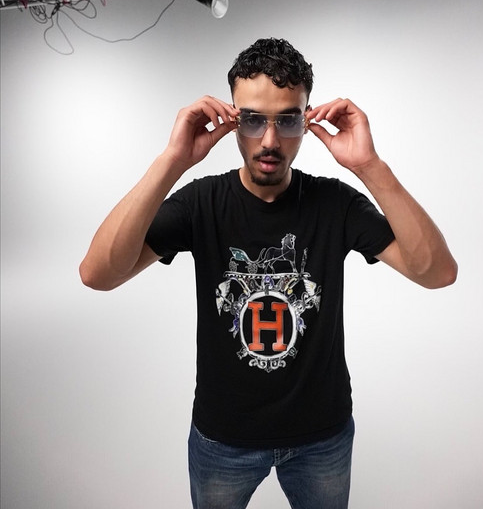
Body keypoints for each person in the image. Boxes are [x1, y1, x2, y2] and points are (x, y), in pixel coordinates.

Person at [80, 37, 457, 509]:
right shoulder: (201, 203)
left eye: (288, 120)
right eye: (253, 120)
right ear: (232, 120)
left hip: (322, 435)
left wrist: (369, 166)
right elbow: (98, 274)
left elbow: (437, 272)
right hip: (224, 437)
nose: (270, 141)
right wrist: (172, 161)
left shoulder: (335, 204)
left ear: (308, 120)